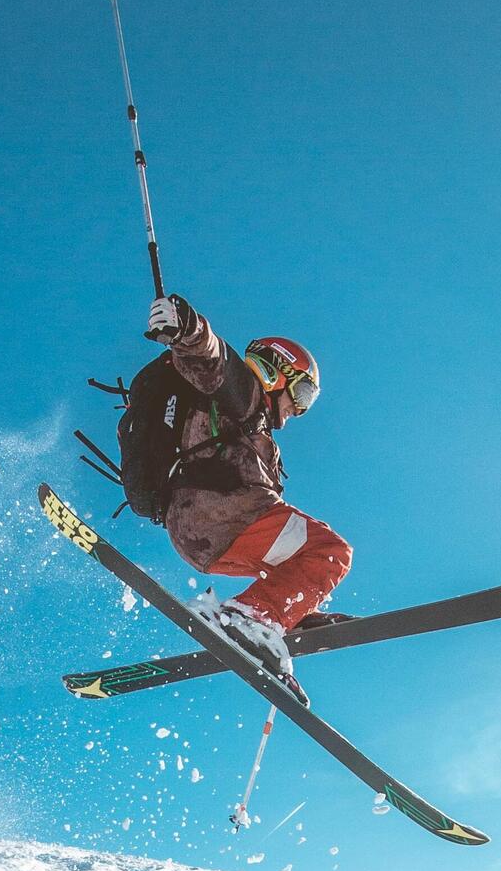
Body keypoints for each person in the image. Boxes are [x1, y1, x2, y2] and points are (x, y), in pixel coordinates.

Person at [146, 294, 353, 707]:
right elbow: (211, 358)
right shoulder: (243, 392)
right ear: (276, 370)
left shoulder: (258, 430)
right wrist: (186, 327)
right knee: (331, 551)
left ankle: (283, 613)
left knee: (301, 558)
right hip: (224, 514)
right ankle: (253, 616)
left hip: (203, 534)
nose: (299, 410)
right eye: (302, 393)